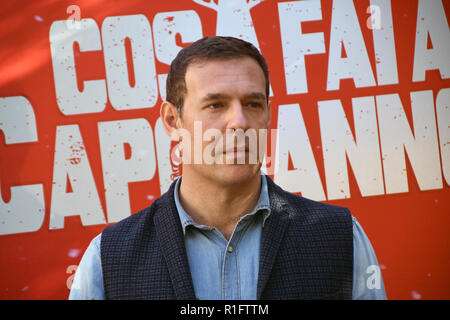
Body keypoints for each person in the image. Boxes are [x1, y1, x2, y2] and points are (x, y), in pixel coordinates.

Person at [69, 36, 386, 300]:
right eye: (215, 105)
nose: (239, 122)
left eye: (253, 104)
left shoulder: (341, 238)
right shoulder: (107, 261)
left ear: (268, 115)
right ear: (172, 121)